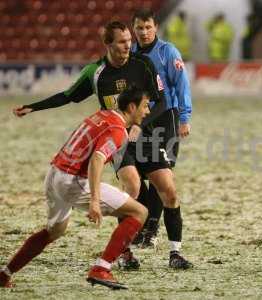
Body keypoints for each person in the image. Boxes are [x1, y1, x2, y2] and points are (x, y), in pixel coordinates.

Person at [13, 20, 192, 270]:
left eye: (129, 41)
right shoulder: (95, 73)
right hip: (117, 140)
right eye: (122, 42)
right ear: (107, 44)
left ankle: (175, 253)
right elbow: (68, 96)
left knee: (169, 190)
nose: (128, 46)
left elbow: (161, 101)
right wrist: (34, 106)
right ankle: (124, 252)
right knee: (132, 186)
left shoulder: (143, 64)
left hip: (148, 136)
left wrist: (142, 125)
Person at [1, 85, 151, 290]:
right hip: (71, 181)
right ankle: (102, 268)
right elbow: (97, 160)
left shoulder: (103, 114)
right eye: (145, 106)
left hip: (54, 173)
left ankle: (4, 274)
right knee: (140, 212)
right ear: (132, 107)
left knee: (54, 231)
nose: (148, 111)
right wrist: (95, 202)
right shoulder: (118, 131)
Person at [116, 9, 193, 270]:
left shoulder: (167, 52)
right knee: (142, 176)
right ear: (133, 29)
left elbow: (181, 84)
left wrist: (184, 117)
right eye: (139, 28)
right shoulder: (133, 55)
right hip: (140, 120)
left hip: (166, 118)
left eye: (148, 27)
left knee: (163, 174)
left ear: (155, 27)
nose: (144, 32)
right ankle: (147, 225)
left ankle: (151, 230)